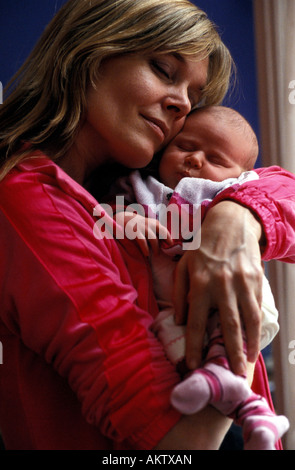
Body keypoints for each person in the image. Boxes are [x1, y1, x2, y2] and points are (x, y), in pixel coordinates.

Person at [0, 0, 295, 450]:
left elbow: (281, 187)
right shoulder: (28, 197)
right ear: (90, 52)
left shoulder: (143, 188)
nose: (181, 104)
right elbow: (177, 440)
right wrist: (235, 324)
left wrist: (236, 218)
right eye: (163, 69)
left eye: (193, 97)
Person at [110, 105, 289, 449]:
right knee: (172, 330)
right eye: (185, 146)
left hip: (228, 303)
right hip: (172, 311)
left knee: (234, 313)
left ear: (242, 174)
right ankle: (249, 409)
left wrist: (239, 217)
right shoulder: (140, 187)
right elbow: (104, 214)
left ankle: (236, 391)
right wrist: (126, 218)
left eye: (215, 159)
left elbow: (280, 192)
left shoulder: (235, 192)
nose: (194, 160)